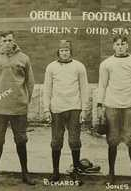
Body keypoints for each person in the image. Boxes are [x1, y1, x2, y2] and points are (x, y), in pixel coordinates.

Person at [0, 31, 35, 186]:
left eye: (10, 40)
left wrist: (25, 100)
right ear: (0, 42)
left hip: (18, 108)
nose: (7, 43)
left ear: (14, 42)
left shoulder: (24, 58)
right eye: (4, 40)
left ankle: (25, 173)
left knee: (21, 141)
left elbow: (30, 83)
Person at [97, 35, 131, 187]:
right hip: (112, 105)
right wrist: (99, 105)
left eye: (123, 44)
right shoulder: (106, 63)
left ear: (127, 46)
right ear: (113, 46)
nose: (120, 47)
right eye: (117, 44)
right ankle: (111, 174)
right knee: (112, 140)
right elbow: (102, 85)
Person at [43, 40, 89, 185]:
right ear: (58, 52)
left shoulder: (79, 66)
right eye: (62, 50)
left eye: (67, 50)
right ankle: (55, 172)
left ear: (71, 51)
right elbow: (47, 89)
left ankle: (75, 171)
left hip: (74, 108)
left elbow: (84, 88)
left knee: (74, 141)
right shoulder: (51, 67)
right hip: (56, 109)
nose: (64, 52)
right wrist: (46, 109)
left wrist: (84, 109)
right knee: (56, 141)